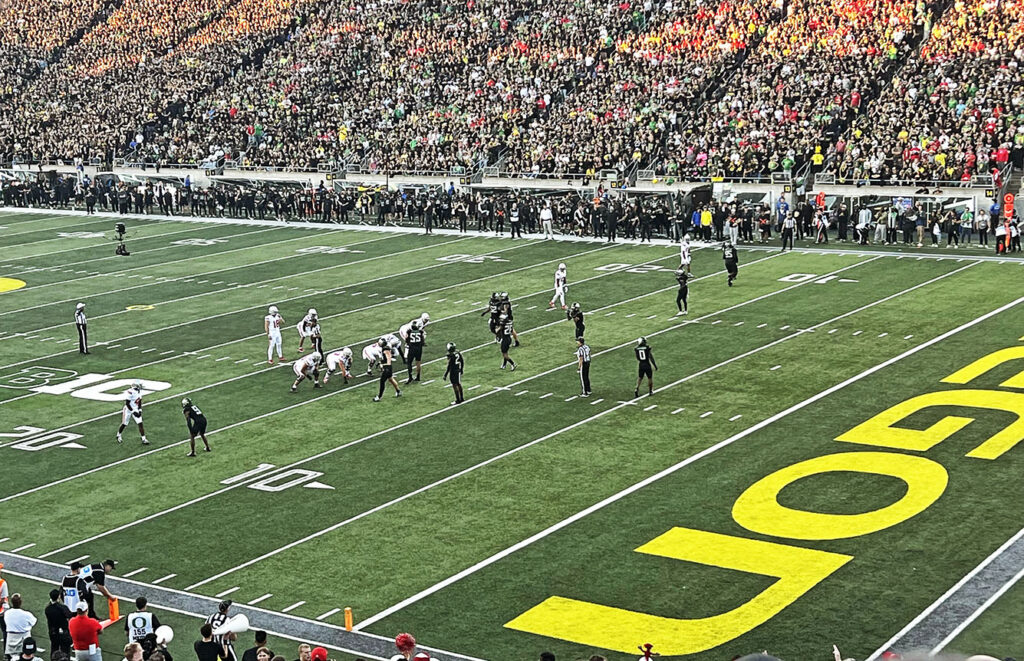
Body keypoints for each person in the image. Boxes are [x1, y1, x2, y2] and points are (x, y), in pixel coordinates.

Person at [3, 595, 35, 661]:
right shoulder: (26, 614)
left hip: (11, 641)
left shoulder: (7, 613)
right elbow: (33, 622)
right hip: (23, 641)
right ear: (20, 602)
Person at [45, 589, 72, 657]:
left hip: (53, 632)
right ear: (58, 597)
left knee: (54, 649)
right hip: (64, 632)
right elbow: (70, 616)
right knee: (65, 651)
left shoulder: (48, 609)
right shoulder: (63, 608)